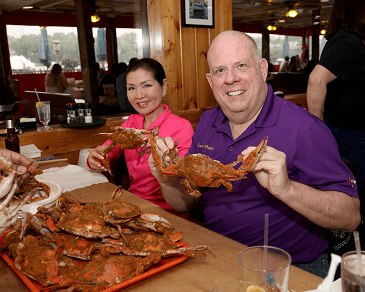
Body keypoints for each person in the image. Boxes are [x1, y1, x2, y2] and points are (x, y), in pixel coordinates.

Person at [148, 31, 360, 278]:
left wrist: (288, 189)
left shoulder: (306, 129)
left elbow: (351, 216)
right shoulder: (207, 122)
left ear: (262, 69)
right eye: (220, 71)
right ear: (210, 80)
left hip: (291, 267)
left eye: (241, 66)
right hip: (216, 255)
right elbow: (187, 201)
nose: (230, 79)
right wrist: (167, 178)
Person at [88, 58, 194, 215]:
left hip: (169, 211)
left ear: (163, 87)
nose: (139, 95)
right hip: (133, 204)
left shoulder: (182, 127)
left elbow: (187, 185)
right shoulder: (131, 123)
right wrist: (95, 156)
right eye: (131, 88)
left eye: (147, 85)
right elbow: (107, 150)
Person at [307, 0, 365, 246]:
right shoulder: (347, 41)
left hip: (354, 134)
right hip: (347, 137)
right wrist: (316, 130)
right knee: (353, 203)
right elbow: (315, 80)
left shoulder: (354, 42)